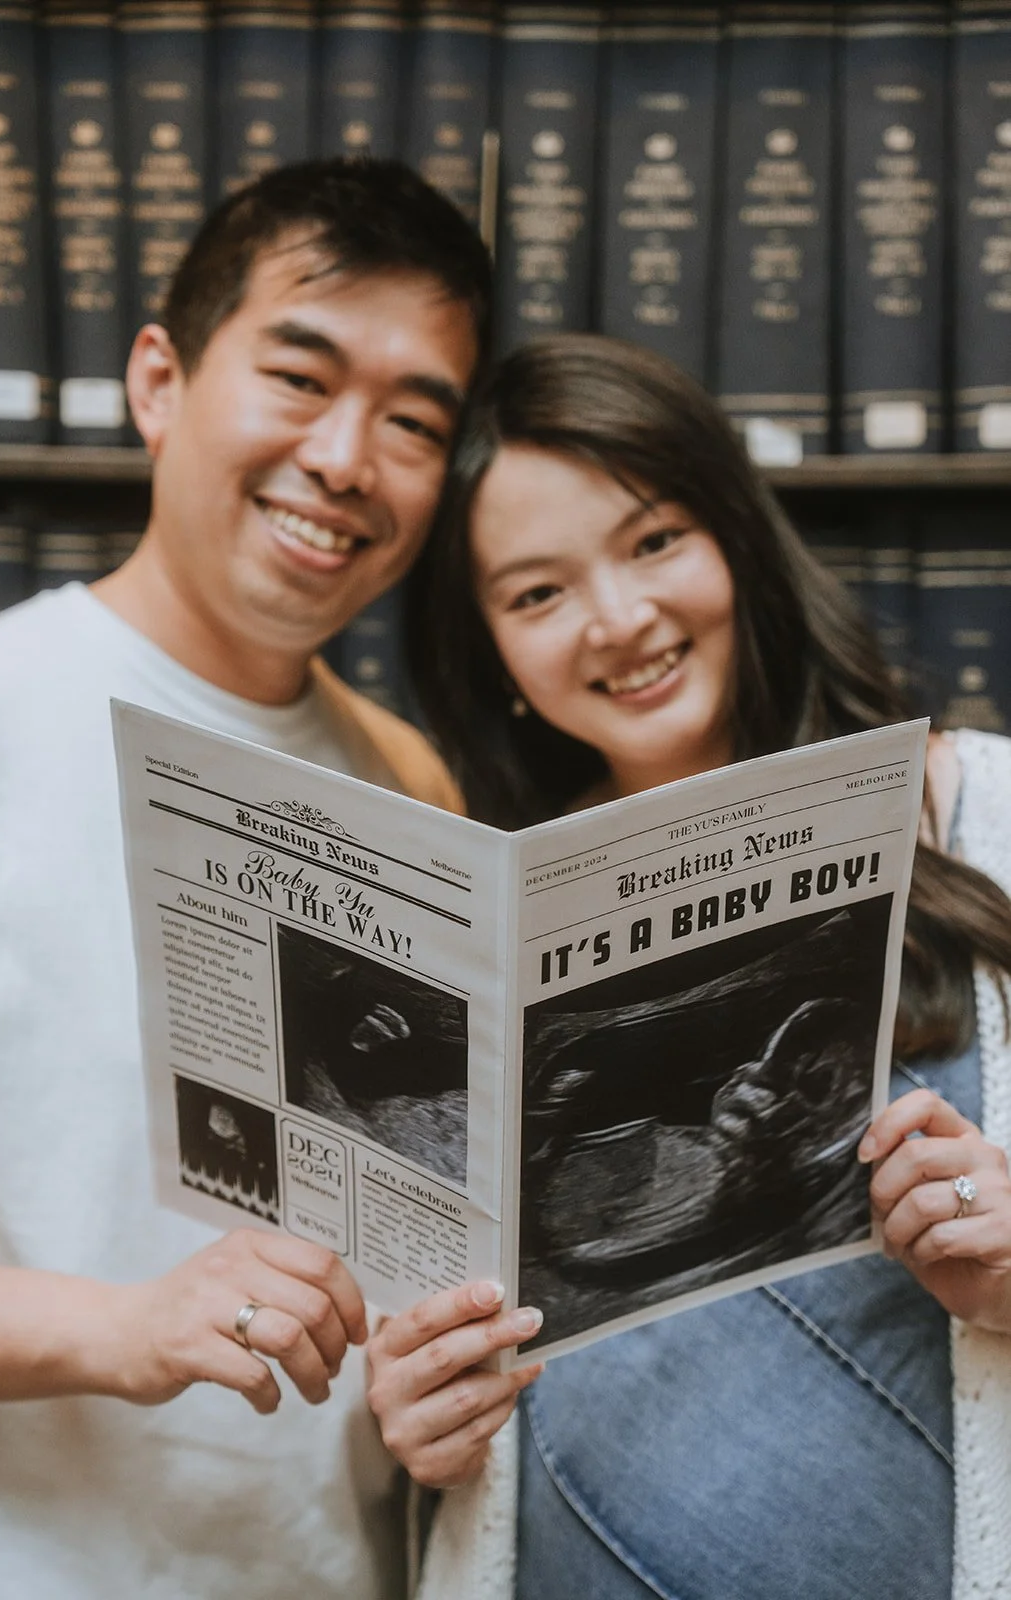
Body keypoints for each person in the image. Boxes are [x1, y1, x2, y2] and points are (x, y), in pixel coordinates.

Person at [0, 158, 540, 1600]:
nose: (346, 460)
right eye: (299, 377)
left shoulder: (410, 784)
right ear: (160, 379)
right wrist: (120, 1330)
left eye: (412, 423)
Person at [367, 334, 1011, 1599]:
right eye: (536, 593)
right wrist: (414, 1421)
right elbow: (431, 1354)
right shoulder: (460, 939)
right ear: (486, 648)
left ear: (736, 537)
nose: (618, 620)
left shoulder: (988, 810)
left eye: (653, 540)